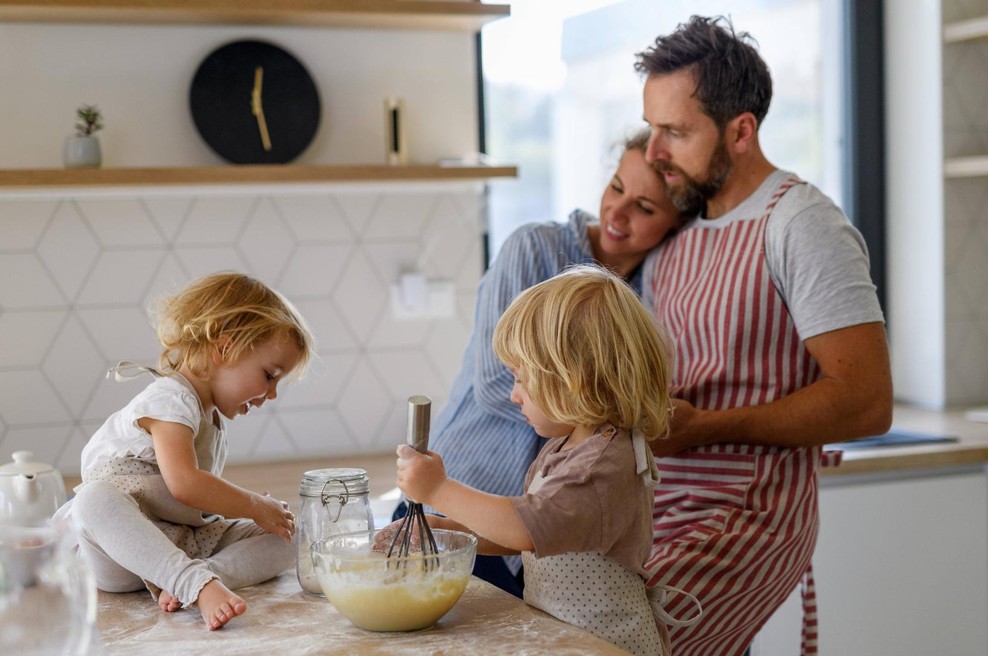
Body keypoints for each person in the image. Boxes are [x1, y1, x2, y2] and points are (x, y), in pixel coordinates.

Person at [634, 15, 893, 656]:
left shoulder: (800, 224)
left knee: (621, 638)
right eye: (650, 128)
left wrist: (706, 427)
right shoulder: (678, 236)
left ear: (741, 130)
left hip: (750, 512)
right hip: (659, 508)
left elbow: (867, 401)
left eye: (675, 132)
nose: (652, 153)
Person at [413, 128, 683, 597]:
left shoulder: (594, 456)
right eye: (617, 187)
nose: (617, 212)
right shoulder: (533, 246)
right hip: (473, 488)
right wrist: (443, 512)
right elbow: (495, 384)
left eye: (645, 207)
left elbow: (528, 528)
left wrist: (437, 488)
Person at [393, 265, 694, 655]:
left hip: (606, 646)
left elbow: (523, 528)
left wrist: (438, 488)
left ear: (575, 379)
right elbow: (536, 540)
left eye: (522, 378)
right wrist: (447, 531)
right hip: (568, 641)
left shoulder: (601, 467)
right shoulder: (568, 445)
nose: (514, 395)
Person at [54, 272, 314, 631]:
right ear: (224, 349)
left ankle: (203, 575)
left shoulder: (210, 418)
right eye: (270, 375)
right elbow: (184, 485)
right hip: (121, 551)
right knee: (92, 501)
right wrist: (253, 505)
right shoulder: (170, 399)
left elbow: (193, 502)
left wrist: (259, 515)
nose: (272, 394)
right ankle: (195, 584)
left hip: (180, 541)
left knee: (291, 536)